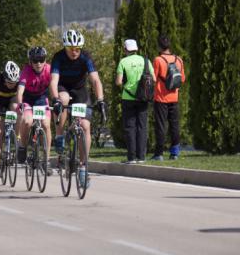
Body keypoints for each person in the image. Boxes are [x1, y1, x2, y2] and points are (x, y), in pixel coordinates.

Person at [50, 29, 106, 185]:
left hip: (80, 90)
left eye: (77, 49)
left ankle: (83, 166)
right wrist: (55, 99)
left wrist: (100, 99)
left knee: (85, 126)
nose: (74, 52)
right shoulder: (58, 57)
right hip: (63, 88)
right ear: (65, 48)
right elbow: (53, 81)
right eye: (71, 49)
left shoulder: (85, 56)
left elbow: (95, 80)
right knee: (64, 99)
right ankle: (60, 135)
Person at [115, 39, 155, 164]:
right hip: (143, 98)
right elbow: (154, 79)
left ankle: (131, 157)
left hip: (128, 98)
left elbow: (118, 82)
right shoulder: (146, 61)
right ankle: (141, 157)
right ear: (136, 49)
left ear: (125, 49)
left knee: (130, 127)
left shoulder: (123, 62)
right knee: (142, 127)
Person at [16, 46, 52, 174]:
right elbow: (20, 90)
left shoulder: (49, 69)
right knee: (27, 121)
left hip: (42, 99)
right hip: (28, 100)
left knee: (46, 125)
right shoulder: (26, 71)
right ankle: (22, 146)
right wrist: (20, 103)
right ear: (30, 62)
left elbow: (55, 86)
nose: (38, 63)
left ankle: (46, 160)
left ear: (45, 60)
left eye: (41, 60)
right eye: (35, 60)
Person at [151, 35, 186, 161]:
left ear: (159, 46)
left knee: (161, 126)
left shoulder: (158, 60)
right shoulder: (179, 60)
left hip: (161, 98)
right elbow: (182, 79)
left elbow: (154, 78)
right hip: (174, 98)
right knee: (174, 125)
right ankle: (175, 153)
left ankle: (159, 154)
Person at [0, 61, 20, 179]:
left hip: (12, 102)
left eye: (14, 83)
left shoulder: (18, 82)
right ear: (4, 78)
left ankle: (17, 138)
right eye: (9, 82)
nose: (11, 85)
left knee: (16, 108)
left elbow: (22, 99)